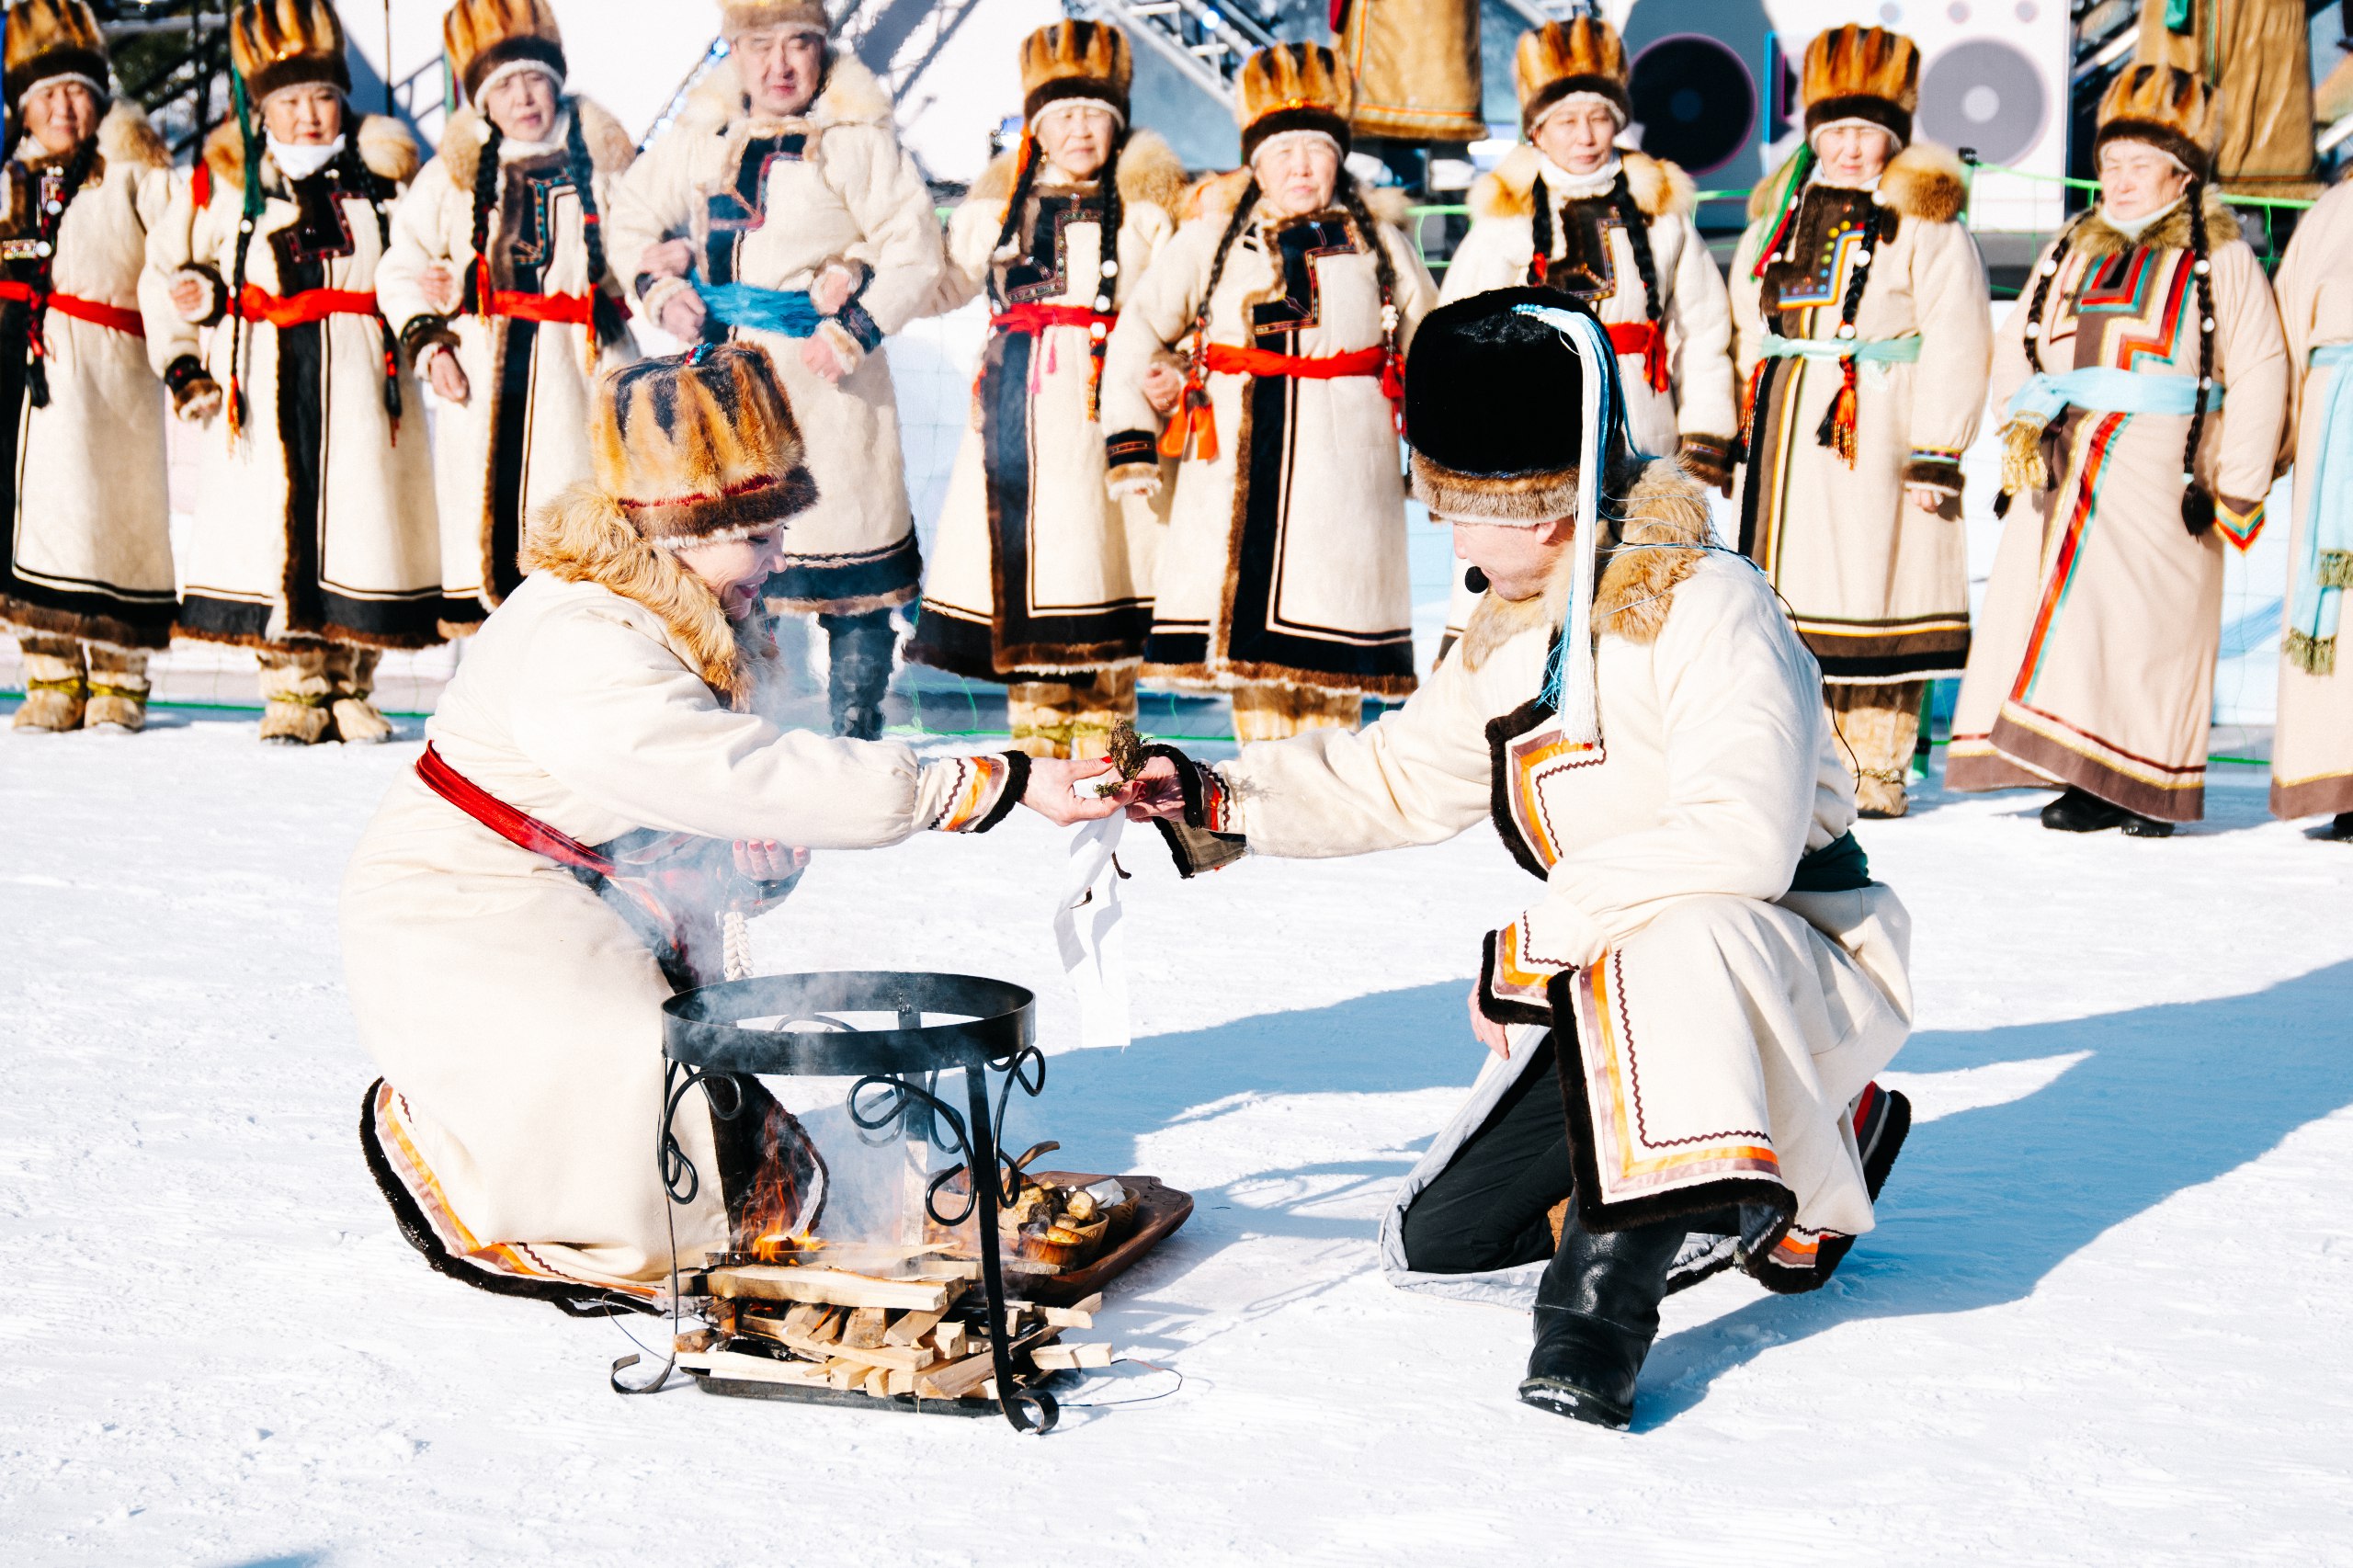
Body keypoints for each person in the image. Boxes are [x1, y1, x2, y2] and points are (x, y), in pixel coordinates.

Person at [1125, 290, 1913, 1430]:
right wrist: (1211, 794)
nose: (1453, 541)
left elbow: (1739, 838)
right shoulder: (1514, 624)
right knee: (1444, 1239)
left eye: (1465, 513)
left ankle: (1596, 1322)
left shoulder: (1712, 607)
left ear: (1544, 509)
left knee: (1684, 935)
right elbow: (1398, 775)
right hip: (1615, 987)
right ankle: (1814, 1136)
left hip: (1787, 957)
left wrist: (1544, 933)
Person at [343, 345, 1123, 1308]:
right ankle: (547, 1193)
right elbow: (739, 774)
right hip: (462, 913)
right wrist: (978, 784)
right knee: (635, 1079)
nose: (780, 559)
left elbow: (701, 805)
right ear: (682, 529)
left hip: (561, 893)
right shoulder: (581, 639)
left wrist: (749, 865)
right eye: (759, 536)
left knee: (692, 1089)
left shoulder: (678, 611)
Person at [1949, 64, 2289, 835]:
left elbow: (2262, 368)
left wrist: (2239, 482)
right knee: (2074, 626)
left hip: (2164, 473)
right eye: (2111, 164)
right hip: (2066, 463)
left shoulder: (2221, 255)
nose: (2122, 180)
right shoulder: (2072, 244)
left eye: (2142, 165)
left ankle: (2147, 785)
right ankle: (2086, 778)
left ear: (2182, 174)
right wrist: (2023, 419)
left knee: (2150, 628)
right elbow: (2017, 342)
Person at [608, 0, 943, 740]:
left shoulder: (856, 140)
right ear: (735, 52)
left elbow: (916, 248)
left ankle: (856, 731)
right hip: (725, 383)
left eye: (798, 44)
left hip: (832, 386)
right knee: (738, 560)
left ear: (823, 49)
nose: (781, 64)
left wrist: (855, 327)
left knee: (848, 564)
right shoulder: (702, 137)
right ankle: (751, 728)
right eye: (761, 46)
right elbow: (630, 218)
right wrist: (660, 287)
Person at [1098, 41, 1438, 743]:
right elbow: (1139, 332)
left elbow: (1433, 352)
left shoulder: (1382, 244)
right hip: (1232, 474)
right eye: (1283, 153)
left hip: (1348, 482)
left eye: (1315, 150)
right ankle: (1262, 783)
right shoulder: (1210, 239)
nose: (1300, 167)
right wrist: (1134, 432)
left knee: (1332, 660)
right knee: (1253, 671)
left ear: (1339, 159)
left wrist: (1446, 464)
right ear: (1254, 164)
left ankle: (1324, 787)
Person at [142, 0, 438, 745]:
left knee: (362, 528)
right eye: (291, 102)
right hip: (261, 379)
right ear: (262, 110)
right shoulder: (222, 185)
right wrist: (191, 322)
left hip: (359, 385)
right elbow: (171, 268)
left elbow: (417, 255)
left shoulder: (386, 181)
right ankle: (291, 689)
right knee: (270, 532)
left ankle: (351, 684)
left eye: (322, 98)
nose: (309, 116)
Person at [1729, 24, 1992, 818]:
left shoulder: (1926, 222)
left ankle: (1876, 765)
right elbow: (1746, 317)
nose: (1849, 148)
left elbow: (1958, 335)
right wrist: (1742, 415)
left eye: (1866, 133)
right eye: (1836, 131)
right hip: (1788, 435)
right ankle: (1797, 758)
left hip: (1878, 428)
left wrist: (1937, 449)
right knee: (1788, 595)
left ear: (1894, 137)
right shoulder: (1781, 214)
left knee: (1878, 588)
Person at [904, 19, 1185, 758]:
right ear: (1037, 126)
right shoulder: (996, 209)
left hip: (1109, 418)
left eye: (1094, 114)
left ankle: (1111, 757)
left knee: (1109, 574)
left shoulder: (1149, 214)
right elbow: (938, 283)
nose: (1080, 131)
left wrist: (1175, 366)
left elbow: (1183, 307)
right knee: (1028, 581)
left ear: (1117, 123)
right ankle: (1042, 758)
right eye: (1064, 115)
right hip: (1015, 421)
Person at [1435, 14, 1735, 660]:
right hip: (1529, 436)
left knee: (1637, 572)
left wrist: (1706, 435)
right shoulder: (1505, 222)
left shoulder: (1659, 214)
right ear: (1537, 129)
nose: (1586, 135)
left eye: (1599, 117)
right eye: (1566, 120)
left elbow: (1703, 328)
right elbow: (1457, 340)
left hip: (1642, 426)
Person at [379, 0, 638, 627]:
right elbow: (400, 265)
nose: (523, 98)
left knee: (588, 537)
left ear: (556, 84)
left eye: (534, 80)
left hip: (584, 371)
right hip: (485, 384)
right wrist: (431, 340)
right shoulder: (453, 178)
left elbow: (644, 244)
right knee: (491, 539)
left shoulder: (604, 165)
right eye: (505, 86)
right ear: (483, 102)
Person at [0, 0, 176, 732]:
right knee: (38, 524)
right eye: (47, 96)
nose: (63, 109)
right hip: (30, 378)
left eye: (77, 92)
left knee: (114, 516)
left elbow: (174, 252)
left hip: (113, 375)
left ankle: (118, 678)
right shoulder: (10, 177)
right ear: (24, 107)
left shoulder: (132, 172)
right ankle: (50, 674)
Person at [2268, 166, 2353, 838]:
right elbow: (2288, 331)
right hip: (2335, 417)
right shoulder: (2334, 212)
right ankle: (2343, 778)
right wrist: (2273, 443)